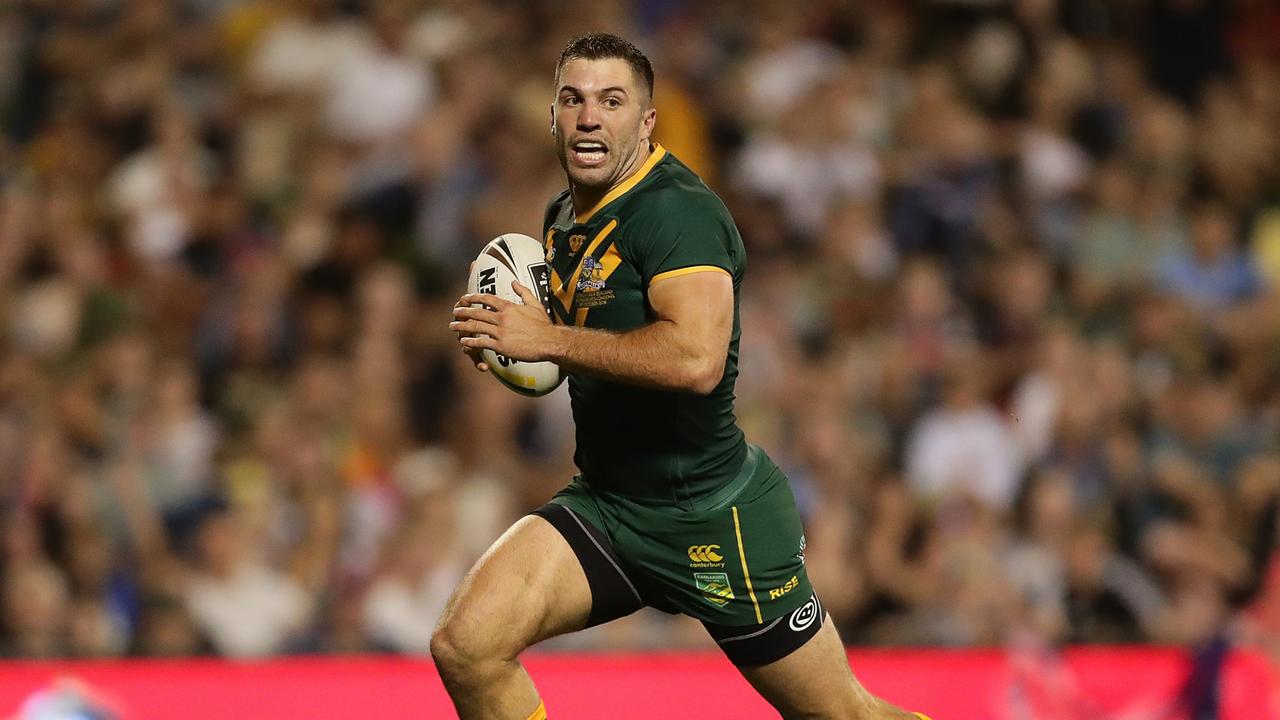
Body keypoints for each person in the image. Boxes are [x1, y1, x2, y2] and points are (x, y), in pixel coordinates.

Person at [441, 33, 931, 720]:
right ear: (551, 117)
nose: (589, 117)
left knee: (845, 716)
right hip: (609, 507)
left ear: (645, 122)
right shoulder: (563, 216)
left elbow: (696, 361)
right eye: (573, 100)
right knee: (466, 647)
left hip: (712, 517)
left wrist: (545, 339)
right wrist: (508, 347)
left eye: (612, 102)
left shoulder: (678, 213)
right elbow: (576, 342)